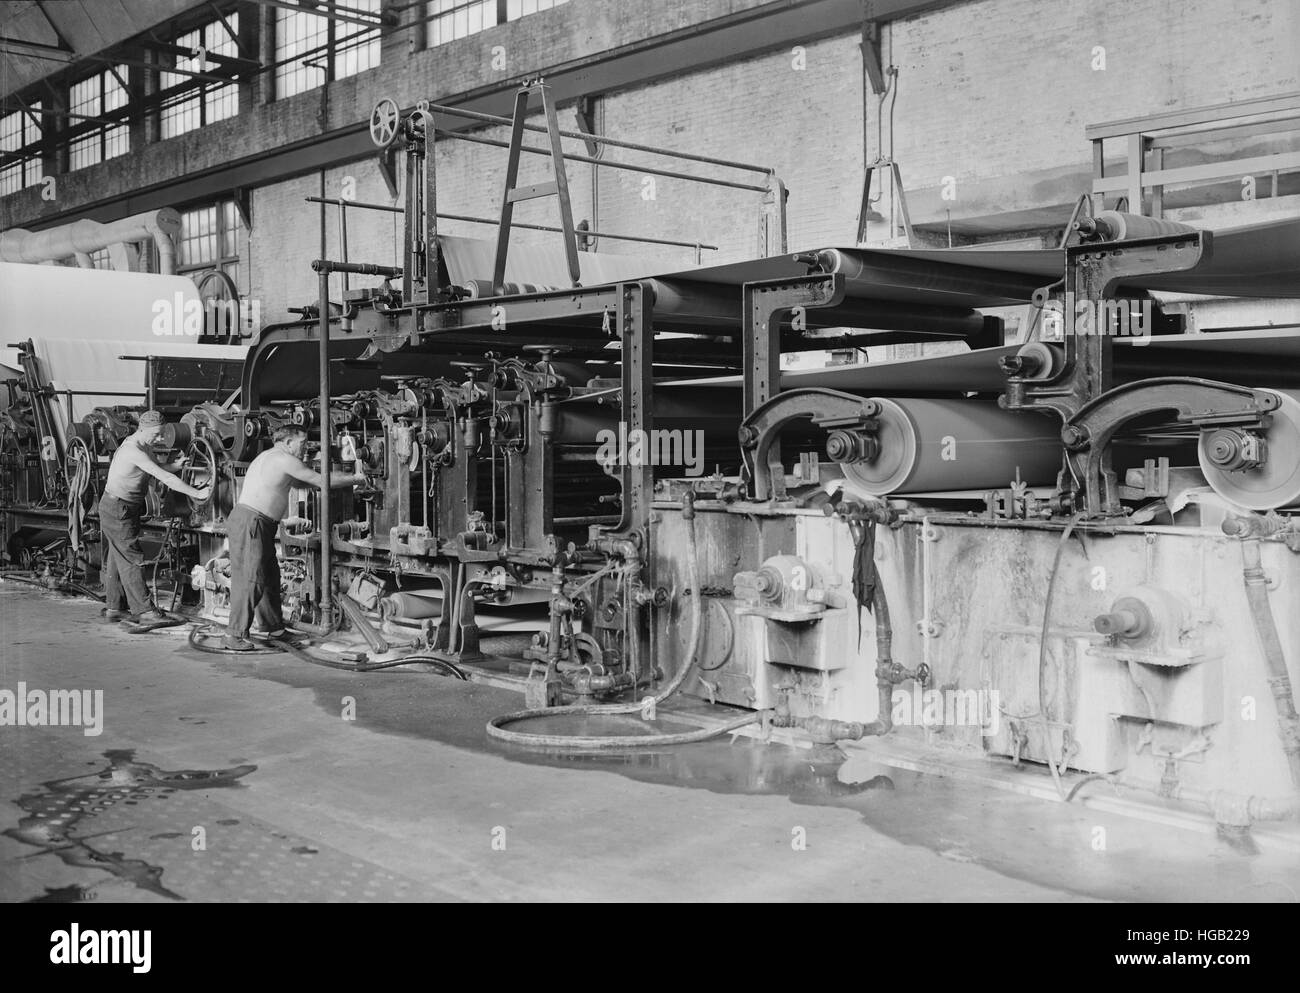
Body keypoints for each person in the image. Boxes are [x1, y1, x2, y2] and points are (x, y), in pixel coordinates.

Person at [224, 425, 366, 651]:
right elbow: (321, 481)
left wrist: (336, 478)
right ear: (288, 442)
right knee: (251, 578)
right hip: (252, 522)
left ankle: (274, 629)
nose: (306, 448)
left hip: (260, 523)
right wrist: (358, 478)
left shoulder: (271, 457)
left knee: (269, 576)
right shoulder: (283, 459)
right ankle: (234, 635)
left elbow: (306, 482)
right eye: (302, 443)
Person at [99, 410, 211, 627]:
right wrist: (196, 493)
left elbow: (157, 469)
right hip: (117, 508)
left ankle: (115, 607)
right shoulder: (132, 449)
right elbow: (164, 477)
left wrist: (176, 466)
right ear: (144, 429)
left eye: (162, 433)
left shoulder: (142, 445)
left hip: (123, 507)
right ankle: (144, 610)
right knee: (131, 558)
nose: (160, 438)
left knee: (117, 557)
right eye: (157, 434)